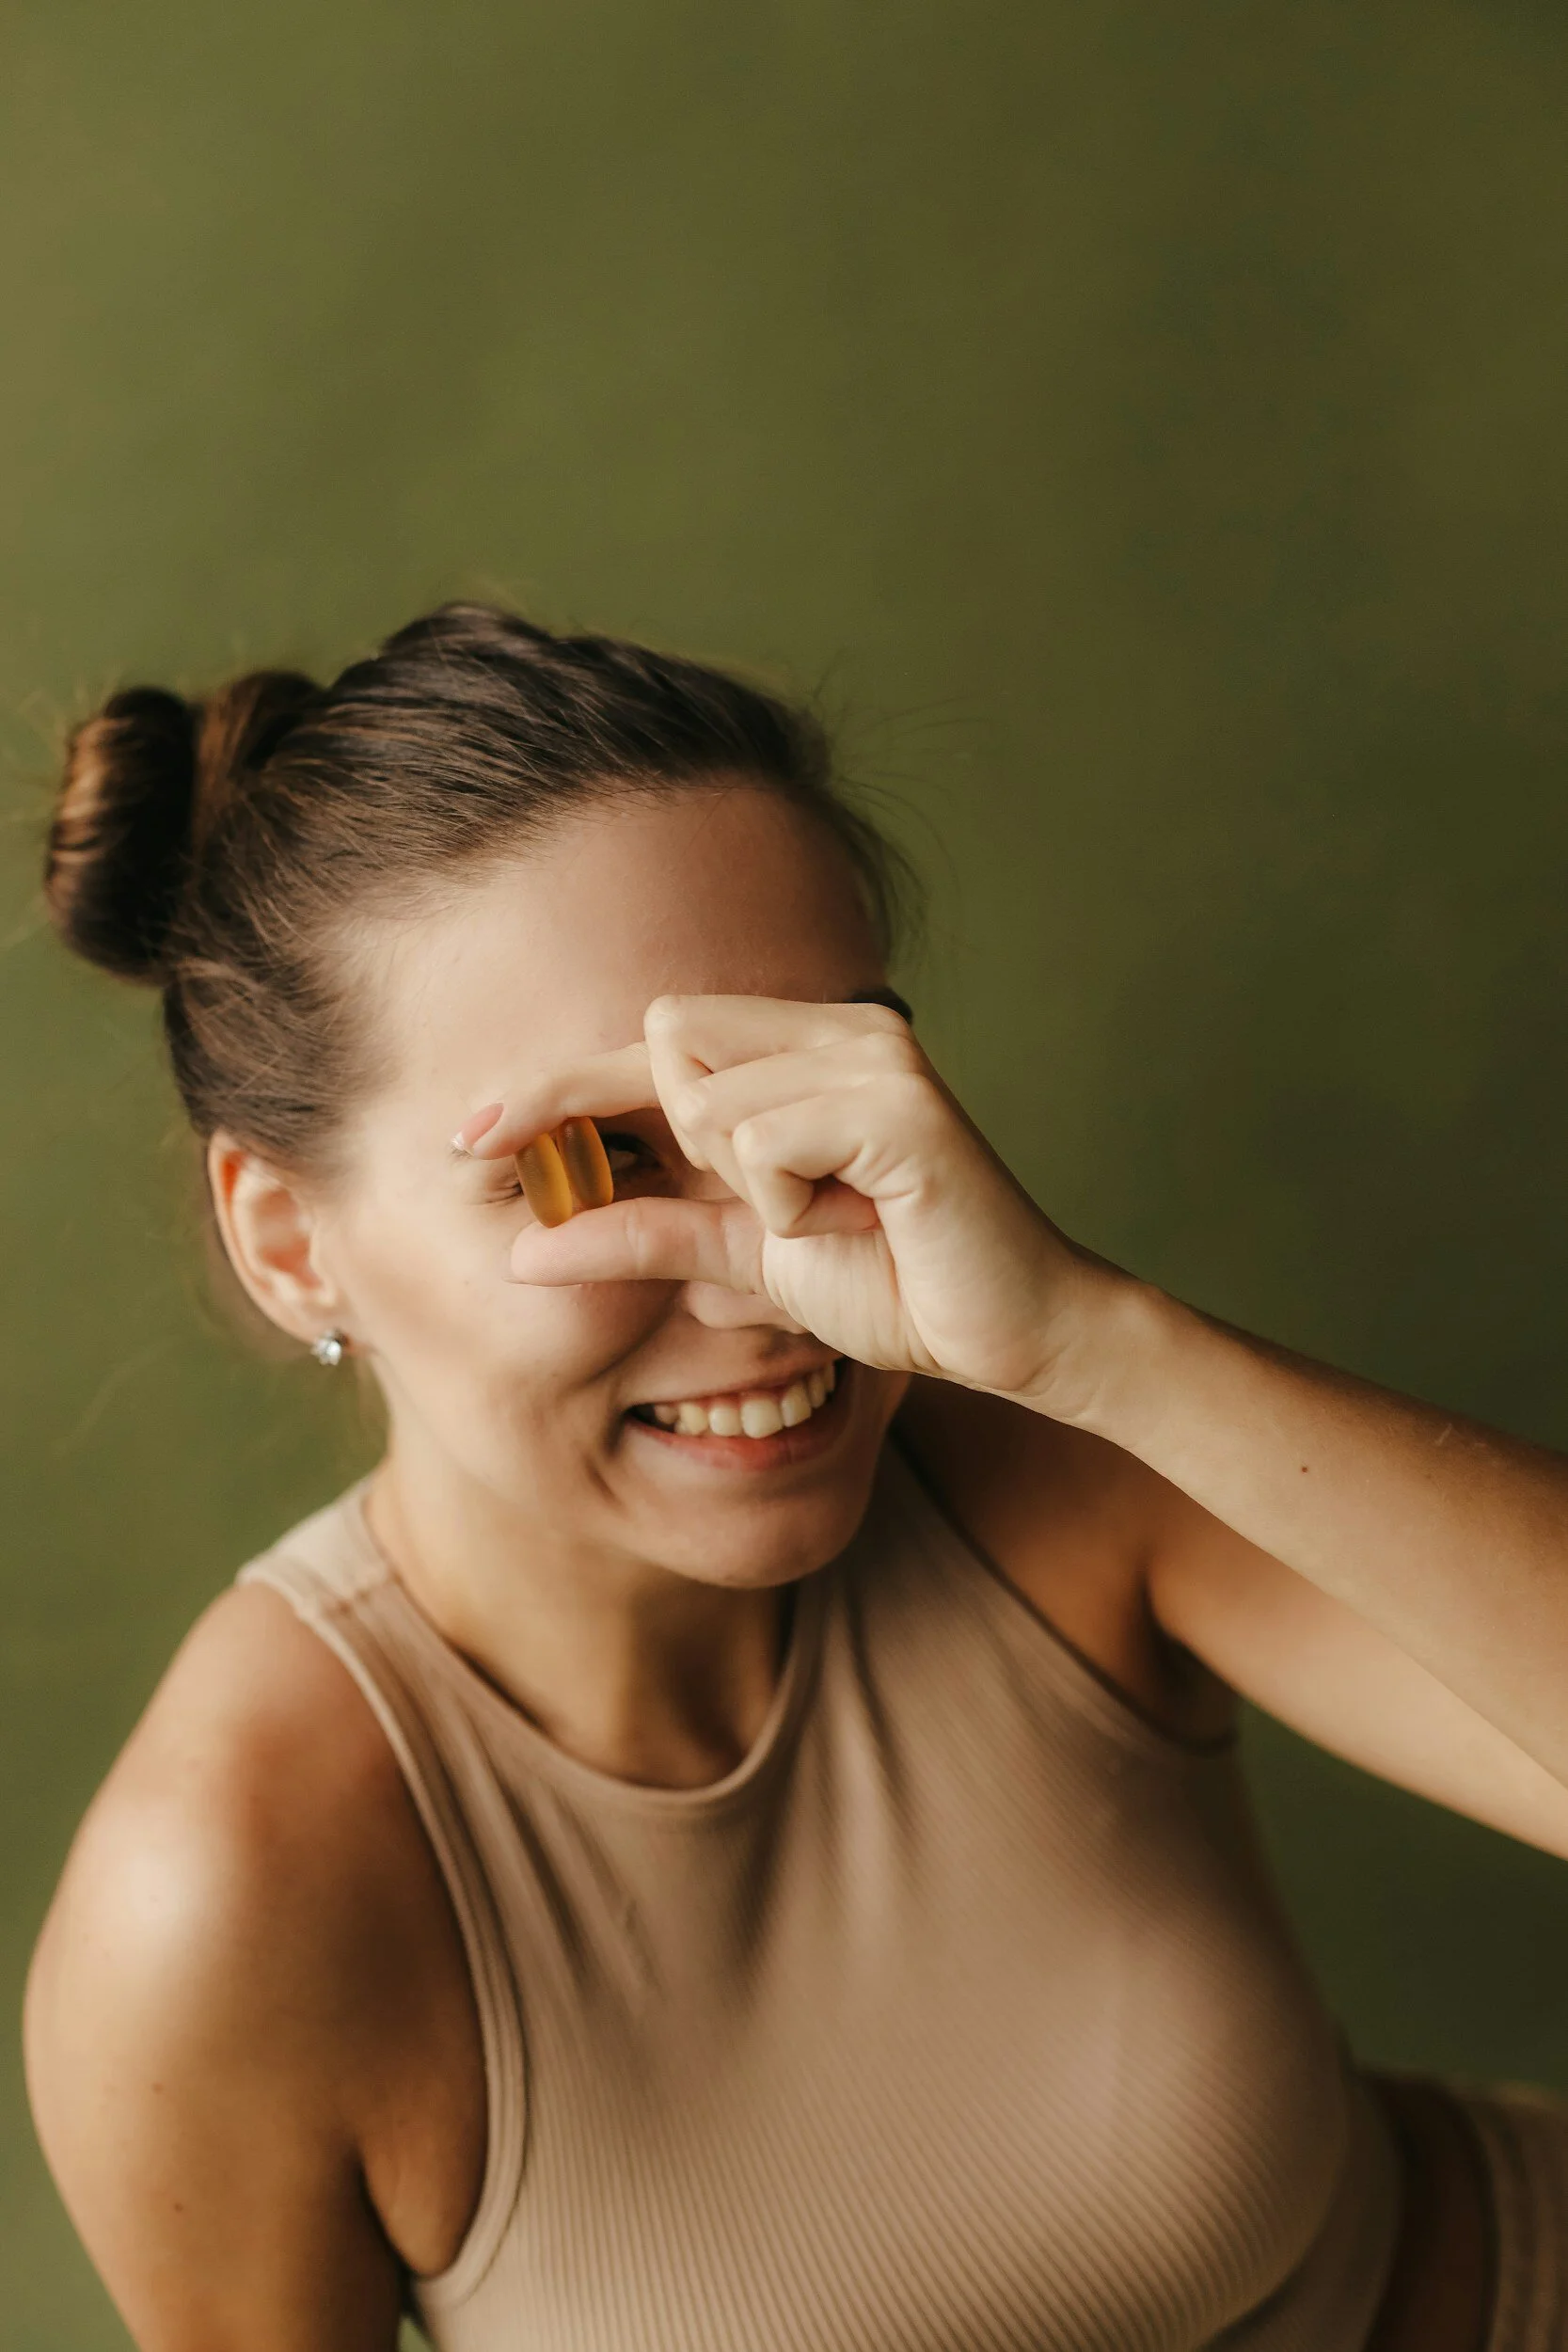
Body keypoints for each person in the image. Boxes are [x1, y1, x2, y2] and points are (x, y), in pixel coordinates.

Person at [20, 602, 1568, 2352]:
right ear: (292, 1244)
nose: (765, 1266)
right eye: (593, 1167)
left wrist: (1098, 1347)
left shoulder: (1047, 1449)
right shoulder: (228, 1900)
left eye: (806, 1113)